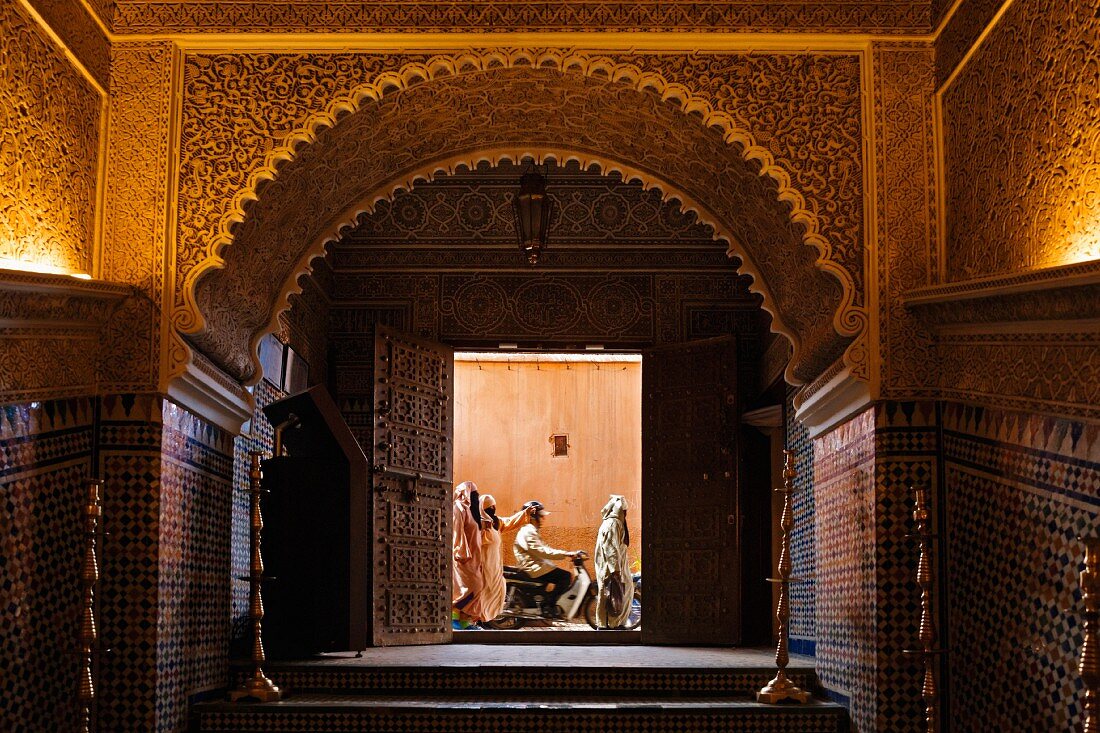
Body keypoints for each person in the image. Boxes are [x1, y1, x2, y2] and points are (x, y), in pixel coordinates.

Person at [466, 493, 533, 623]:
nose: (493, 509)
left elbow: (510, 522)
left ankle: (482, 619)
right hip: (483, 567)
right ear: (482, 508)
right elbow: (472, 542)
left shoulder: (496, 523)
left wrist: (526, 513)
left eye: (494, 506)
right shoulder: (476, 526)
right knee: (481, 594)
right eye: (490, 507)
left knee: (497, 592)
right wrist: (481, 529)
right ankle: (472, 621)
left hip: (495, 566)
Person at [512, 500, 580, 616]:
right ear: (533, 517)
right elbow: (541, 551)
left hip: (536, 566)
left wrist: (564, 554)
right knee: (565, 576)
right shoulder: (528, 531)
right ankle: (549, 606)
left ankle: (547, 604)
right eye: (541, 516)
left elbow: (544, 549)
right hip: (534, 568)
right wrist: (565, 554)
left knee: (558, 574)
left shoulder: (531, 530)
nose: (543, 519)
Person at [594, 494, 635, 629]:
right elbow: (611, 548)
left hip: (616, 567)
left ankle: (615, 623)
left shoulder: (614, 523)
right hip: (611, 568)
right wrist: (615, 570)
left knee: (617, 594)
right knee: (611, 595)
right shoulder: (613, 523)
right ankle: (609, 625)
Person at [451, 481, 484, 629]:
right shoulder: (459, 507)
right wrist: (460, 551)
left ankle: (464, 623)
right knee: (470, 589)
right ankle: (453, 618)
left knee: (475, 588)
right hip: (463, 557)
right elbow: (457, 530)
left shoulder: (473, 511)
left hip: (475, 559)